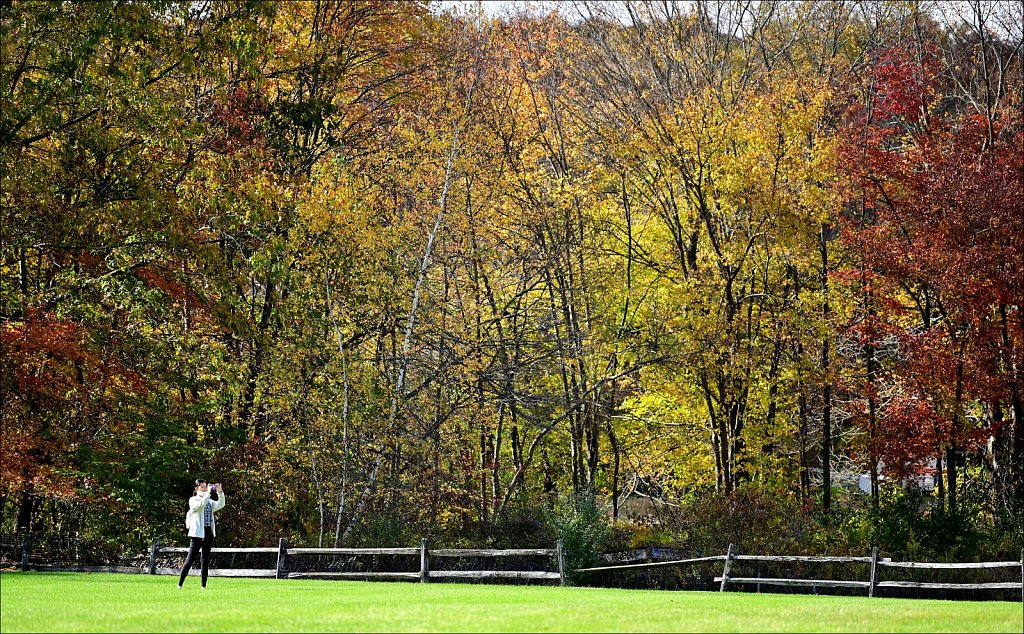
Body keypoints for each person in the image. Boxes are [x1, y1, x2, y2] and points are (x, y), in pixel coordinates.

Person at [178, 479, 226, 588]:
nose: (205, 489)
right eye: (202, 487)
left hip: (208, 532)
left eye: (206, 487)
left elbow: (220, 504)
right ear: (196, 489)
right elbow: (199, 506)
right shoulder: (193, 500)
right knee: (190, 559)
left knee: (205, 559)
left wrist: (220, 492)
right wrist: (208, 493)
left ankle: (203, 585)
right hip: (197, 533)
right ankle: (180, 584)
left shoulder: (208, 500)